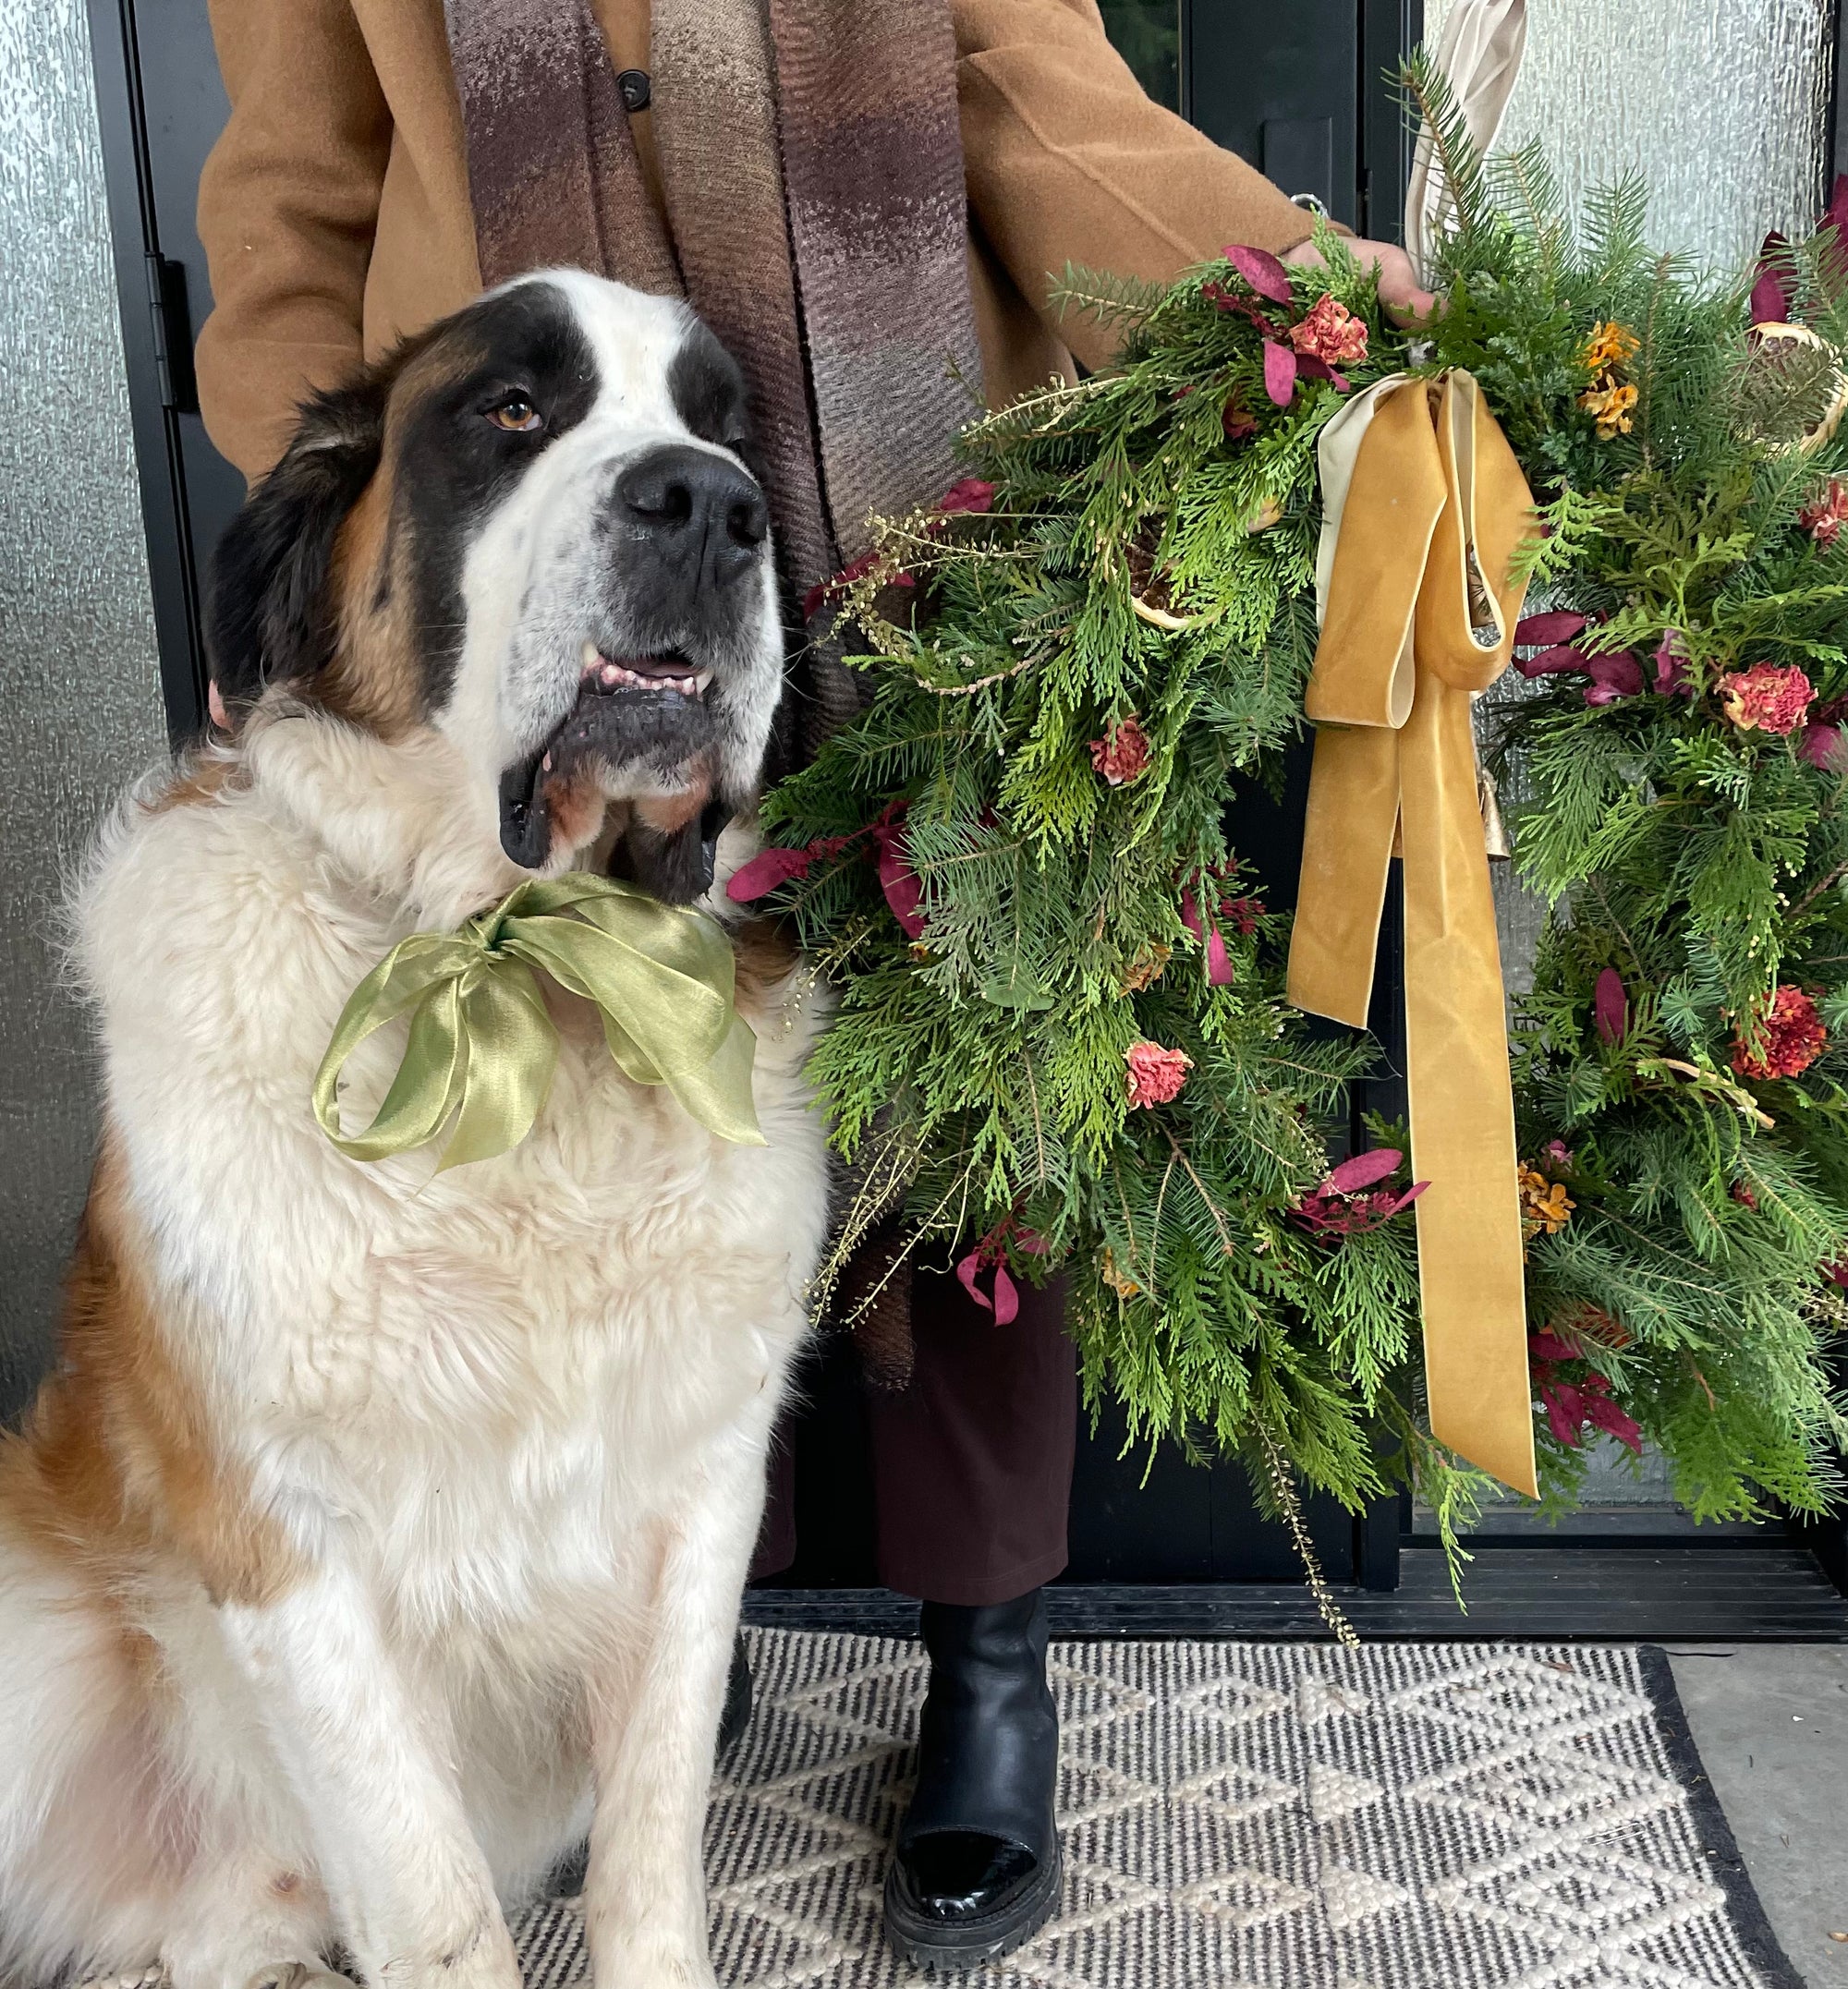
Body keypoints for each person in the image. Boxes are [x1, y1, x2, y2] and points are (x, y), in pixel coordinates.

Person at [192, 0, 1431, 1965]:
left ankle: (986, 1667)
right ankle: (675, 1653)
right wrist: (341, 546)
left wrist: (1288, 301)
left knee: (977, 1123)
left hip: (901, 525)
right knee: (596, 1145)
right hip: (509, 552)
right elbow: (291, 200)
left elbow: (1038, 104)